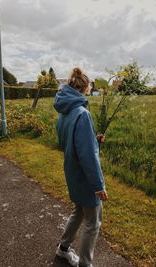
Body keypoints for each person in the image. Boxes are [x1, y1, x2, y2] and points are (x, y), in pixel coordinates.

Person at [53, 67, 108, 267]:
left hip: (72, 173)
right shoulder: (82, 114)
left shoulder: (64, 113)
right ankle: (85, 263)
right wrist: (98, 185)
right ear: (85, 87)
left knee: (78, 212)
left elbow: (70, 143)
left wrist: (94, 140)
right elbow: (87, 156)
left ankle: (63, 248)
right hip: (86, 178)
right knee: (92, 223)